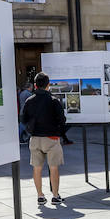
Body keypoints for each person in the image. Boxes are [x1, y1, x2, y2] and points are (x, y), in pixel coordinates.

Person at [20, 72, 67, 206]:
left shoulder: (29, 100)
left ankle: (40, 196)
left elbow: (23, 119)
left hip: (35, 138)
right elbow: (62, 120)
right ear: (48, 85)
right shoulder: (54, 100)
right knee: (54, 167)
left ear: (35, 85)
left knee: (37, 168)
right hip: (51, 138)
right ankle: (55, 196)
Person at [17, 76, 35, 144]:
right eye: (32, 87)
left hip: (21, 112)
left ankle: (21, 138)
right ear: (29, 87)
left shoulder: (21, 93)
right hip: (26, 113)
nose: (32, 88)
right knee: (25, 126)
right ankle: (28, 137)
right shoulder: (29, 94)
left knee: (22, 126)